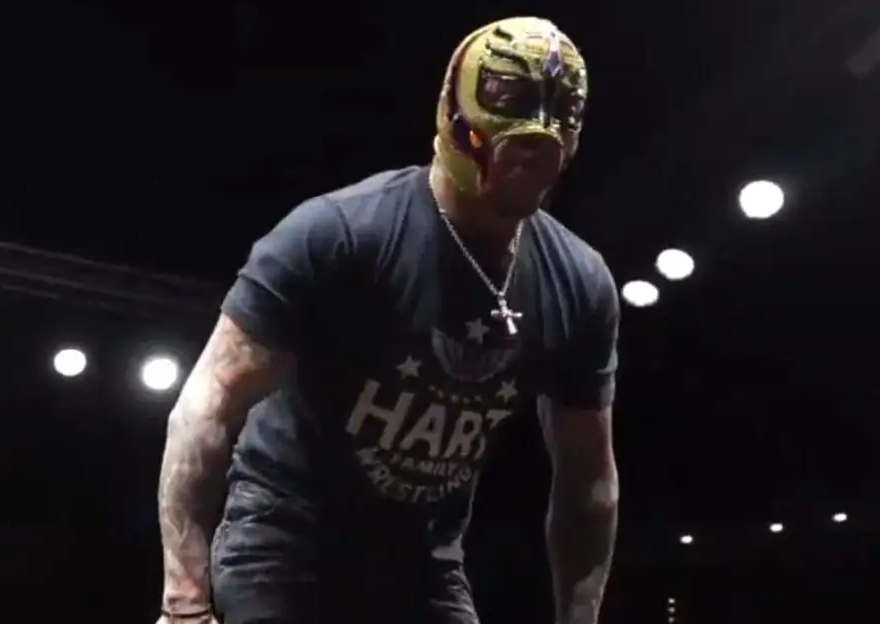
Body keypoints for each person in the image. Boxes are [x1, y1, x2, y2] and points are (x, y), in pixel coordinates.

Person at [156, 16, 620, 624]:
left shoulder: (578, 283)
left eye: (559, 119)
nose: (537, 144)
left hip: (423, 565)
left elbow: (588, 483)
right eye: (515, 113)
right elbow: (207, 403)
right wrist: (184, 605)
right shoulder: (340, 235)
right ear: (455, 114)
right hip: (286, 546)